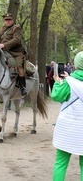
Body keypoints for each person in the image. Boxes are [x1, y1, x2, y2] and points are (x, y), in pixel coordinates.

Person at [51, 51, 83, 180]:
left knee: (60, 163)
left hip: (66, 129)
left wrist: (58, 82)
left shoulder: (67, 82)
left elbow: (55, 96)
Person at [0, 12, 27, 95]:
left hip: (16, 52)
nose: (8, 21)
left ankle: (23, 86)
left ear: (13, 20)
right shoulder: (0, 30)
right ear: (4, 21)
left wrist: (4, 45)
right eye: (6, 20)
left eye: (9, 20)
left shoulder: (16, 28)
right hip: (4, 52)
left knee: (18, 66)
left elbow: (16, 40)